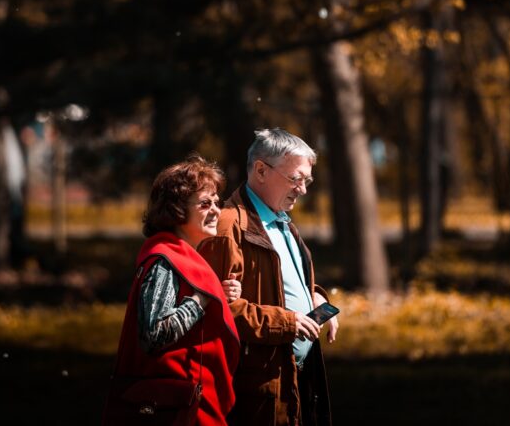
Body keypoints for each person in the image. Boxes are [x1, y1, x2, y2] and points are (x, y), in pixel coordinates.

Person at [198, 128, 338, 425]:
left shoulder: (279, 218)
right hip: (257, 391)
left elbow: (282, 281)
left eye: (307, 180)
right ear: (261, 170)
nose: (303, 189)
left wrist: (315, 296)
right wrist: (287, 322)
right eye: (296, 178)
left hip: (293, 380)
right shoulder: (228, 226)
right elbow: (217, 310)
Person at [105, 155, 241, 426]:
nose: (216, 210)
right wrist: (202, 299)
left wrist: (218, 298)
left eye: (217, 201)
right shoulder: (164, 259)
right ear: (176, 210)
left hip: (189, 405)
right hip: (174, 410)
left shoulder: (181, 256)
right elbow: (153, 335)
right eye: (205, 203)